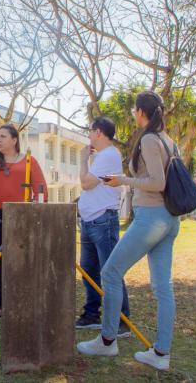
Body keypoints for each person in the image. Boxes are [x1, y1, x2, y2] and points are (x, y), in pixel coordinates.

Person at [76, 91, 179, 371]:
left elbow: (156, 182)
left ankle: (108, 341)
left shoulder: (148, 139)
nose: (133, 114)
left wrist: (123, 180)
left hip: (151, 217)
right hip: (169, 219)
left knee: (110, 272)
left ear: (141, 112)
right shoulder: (169, 140)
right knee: (162, 287)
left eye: (135, 110)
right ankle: (161, 353)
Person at [0, 124, 47, 317]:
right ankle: (2, 304)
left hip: (21, 215)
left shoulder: (29, 161)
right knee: (0, 258)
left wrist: (37, 209)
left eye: (3, 136)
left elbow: (40, 188)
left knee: (22, 257)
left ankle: (23, 299)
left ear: (14, 140)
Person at [75, 117, 131, 338]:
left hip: (103, 221)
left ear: (98, 132)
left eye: (90, 131)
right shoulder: (102, 157)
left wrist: (82, 160)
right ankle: (92, 313)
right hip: (90, 221)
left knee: (110, 270)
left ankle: (122, 320)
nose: (88, 136)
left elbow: (86, 182)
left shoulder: (109, 155)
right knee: (88, 271)